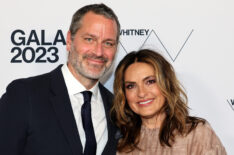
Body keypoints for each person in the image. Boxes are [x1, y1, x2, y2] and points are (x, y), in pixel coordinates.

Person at [0, 3, 120, 155]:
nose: (98, 51)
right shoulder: (24, 95)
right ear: (69, 40)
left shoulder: (116, 109)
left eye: (108, 43)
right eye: (89, 39)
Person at [111, 49, 227, 155]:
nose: (141, 93)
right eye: (131, 86)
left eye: (150, 81)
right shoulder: (120, 143)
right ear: (123, 94)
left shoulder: (197, 134)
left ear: (166, 84)